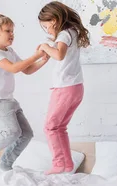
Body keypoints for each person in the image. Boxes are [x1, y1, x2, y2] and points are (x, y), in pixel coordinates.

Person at [0, 14, 48, 171]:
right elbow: (14, 68)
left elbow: (27, 70)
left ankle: (6, 163)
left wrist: (43, 60)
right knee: (12, 131)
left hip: (9, 101)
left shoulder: (9, 51)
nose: (12, 34)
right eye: (7, 31)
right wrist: (35, 55)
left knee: (26, 133)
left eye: (12, 31)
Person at [36, 1, 90, 175]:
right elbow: (61, 52)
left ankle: (59, 163)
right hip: (76, 88)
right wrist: (50, 43)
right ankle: (67, 165)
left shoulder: (64, 35)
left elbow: (59, 55)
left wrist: (45, 46)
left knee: (50, 127)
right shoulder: (71, 32)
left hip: (65, 88)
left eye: (46, 27)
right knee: (60, 128)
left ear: (54, 20)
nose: (47, 30)